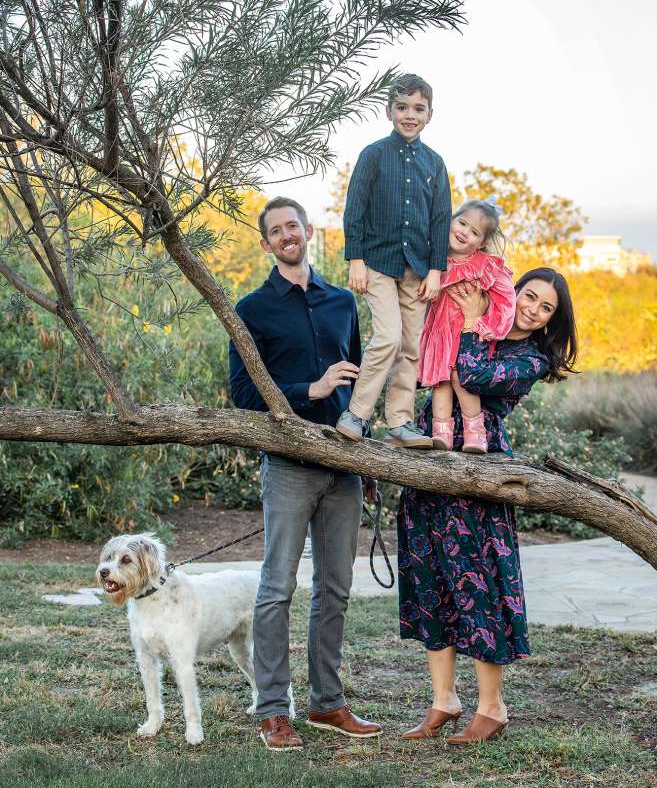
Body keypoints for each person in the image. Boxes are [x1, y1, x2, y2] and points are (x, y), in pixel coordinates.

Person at [398, 267, 579, 744]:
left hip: (478, 466)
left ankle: (493, 707)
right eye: (530, 296)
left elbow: (471, 372)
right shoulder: (482, 319)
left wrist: (471, 319)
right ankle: (444, 700)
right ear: (514, 291)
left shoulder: (531, 358)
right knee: (430, 576)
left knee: (476, 584)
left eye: (546, 308)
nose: (533, 309)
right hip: (430, 452)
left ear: (548, 322)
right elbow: (428, 361)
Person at [229, 196, 382, 751]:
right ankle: (272, 710)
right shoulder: (251, 309)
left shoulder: (343, 301)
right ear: (267, 243)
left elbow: (364, 386)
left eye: (293, 225)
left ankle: (327, 703)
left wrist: (364, 452)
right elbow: (243, 397)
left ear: (308, 230)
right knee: (276, 589)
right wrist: (309, 389)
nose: (287, 235)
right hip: (289, 466)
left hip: (343, 467)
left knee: (336, 589)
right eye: (276, 231)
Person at [336, 73, 452, 448]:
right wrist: (355, 258)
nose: (410, 115)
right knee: (387, 336)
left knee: (412, 345)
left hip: (417, 271)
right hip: (378, 262)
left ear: (430, 115)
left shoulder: (435, 164)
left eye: (418, 108)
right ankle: (356, 414)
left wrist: (436, 270)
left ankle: (400, 422)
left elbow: (441, 220)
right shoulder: (374, 155)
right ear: (388, 111)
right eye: (402, 107)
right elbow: (355, 209)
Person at [418, 197, 516, 455]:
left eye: (474, 232)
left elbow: (506, 297)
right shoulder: (434, 259)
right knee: (440, 382)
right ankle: (441, 435)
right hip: (439, 334)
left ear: (482, 242)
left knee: (461, 379)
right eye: (462, 223)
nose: (464, 232)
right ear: (451, 220)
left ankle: (476, 435)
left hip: (466, 334)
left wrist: (490, 326)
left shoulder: (483, 265)